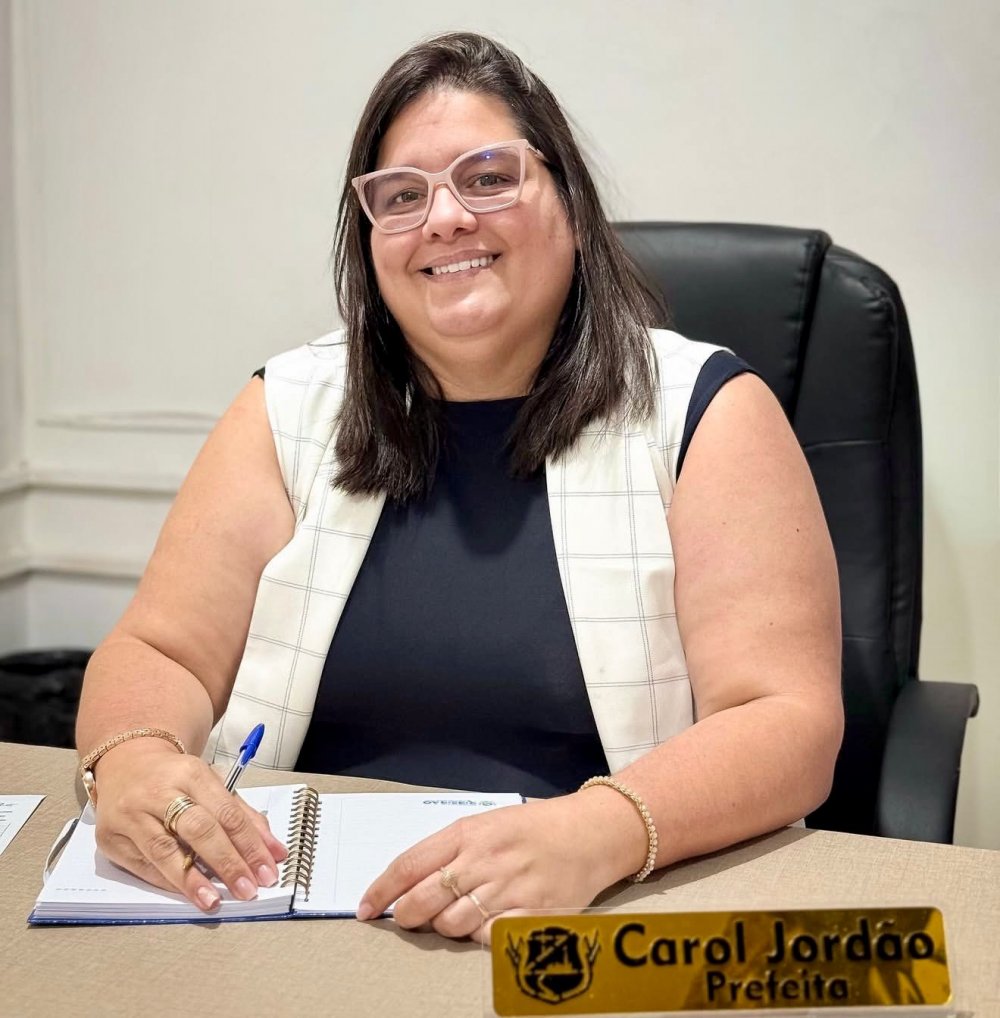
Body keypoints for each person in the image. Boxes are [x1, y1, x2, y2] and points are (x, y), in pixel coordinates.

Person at [75, 32, 843, 942]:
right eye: (402, 196)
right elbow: (161, 650)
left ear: (571, 204)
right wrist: (132, 756)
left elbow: (785, 720)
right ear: (369, 241)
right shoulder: (286, 405)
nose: (443, 218)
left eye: (487, 178)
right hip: (284, 918)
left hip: (585, 917)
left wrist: (598, 830)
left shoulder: (704, 410)